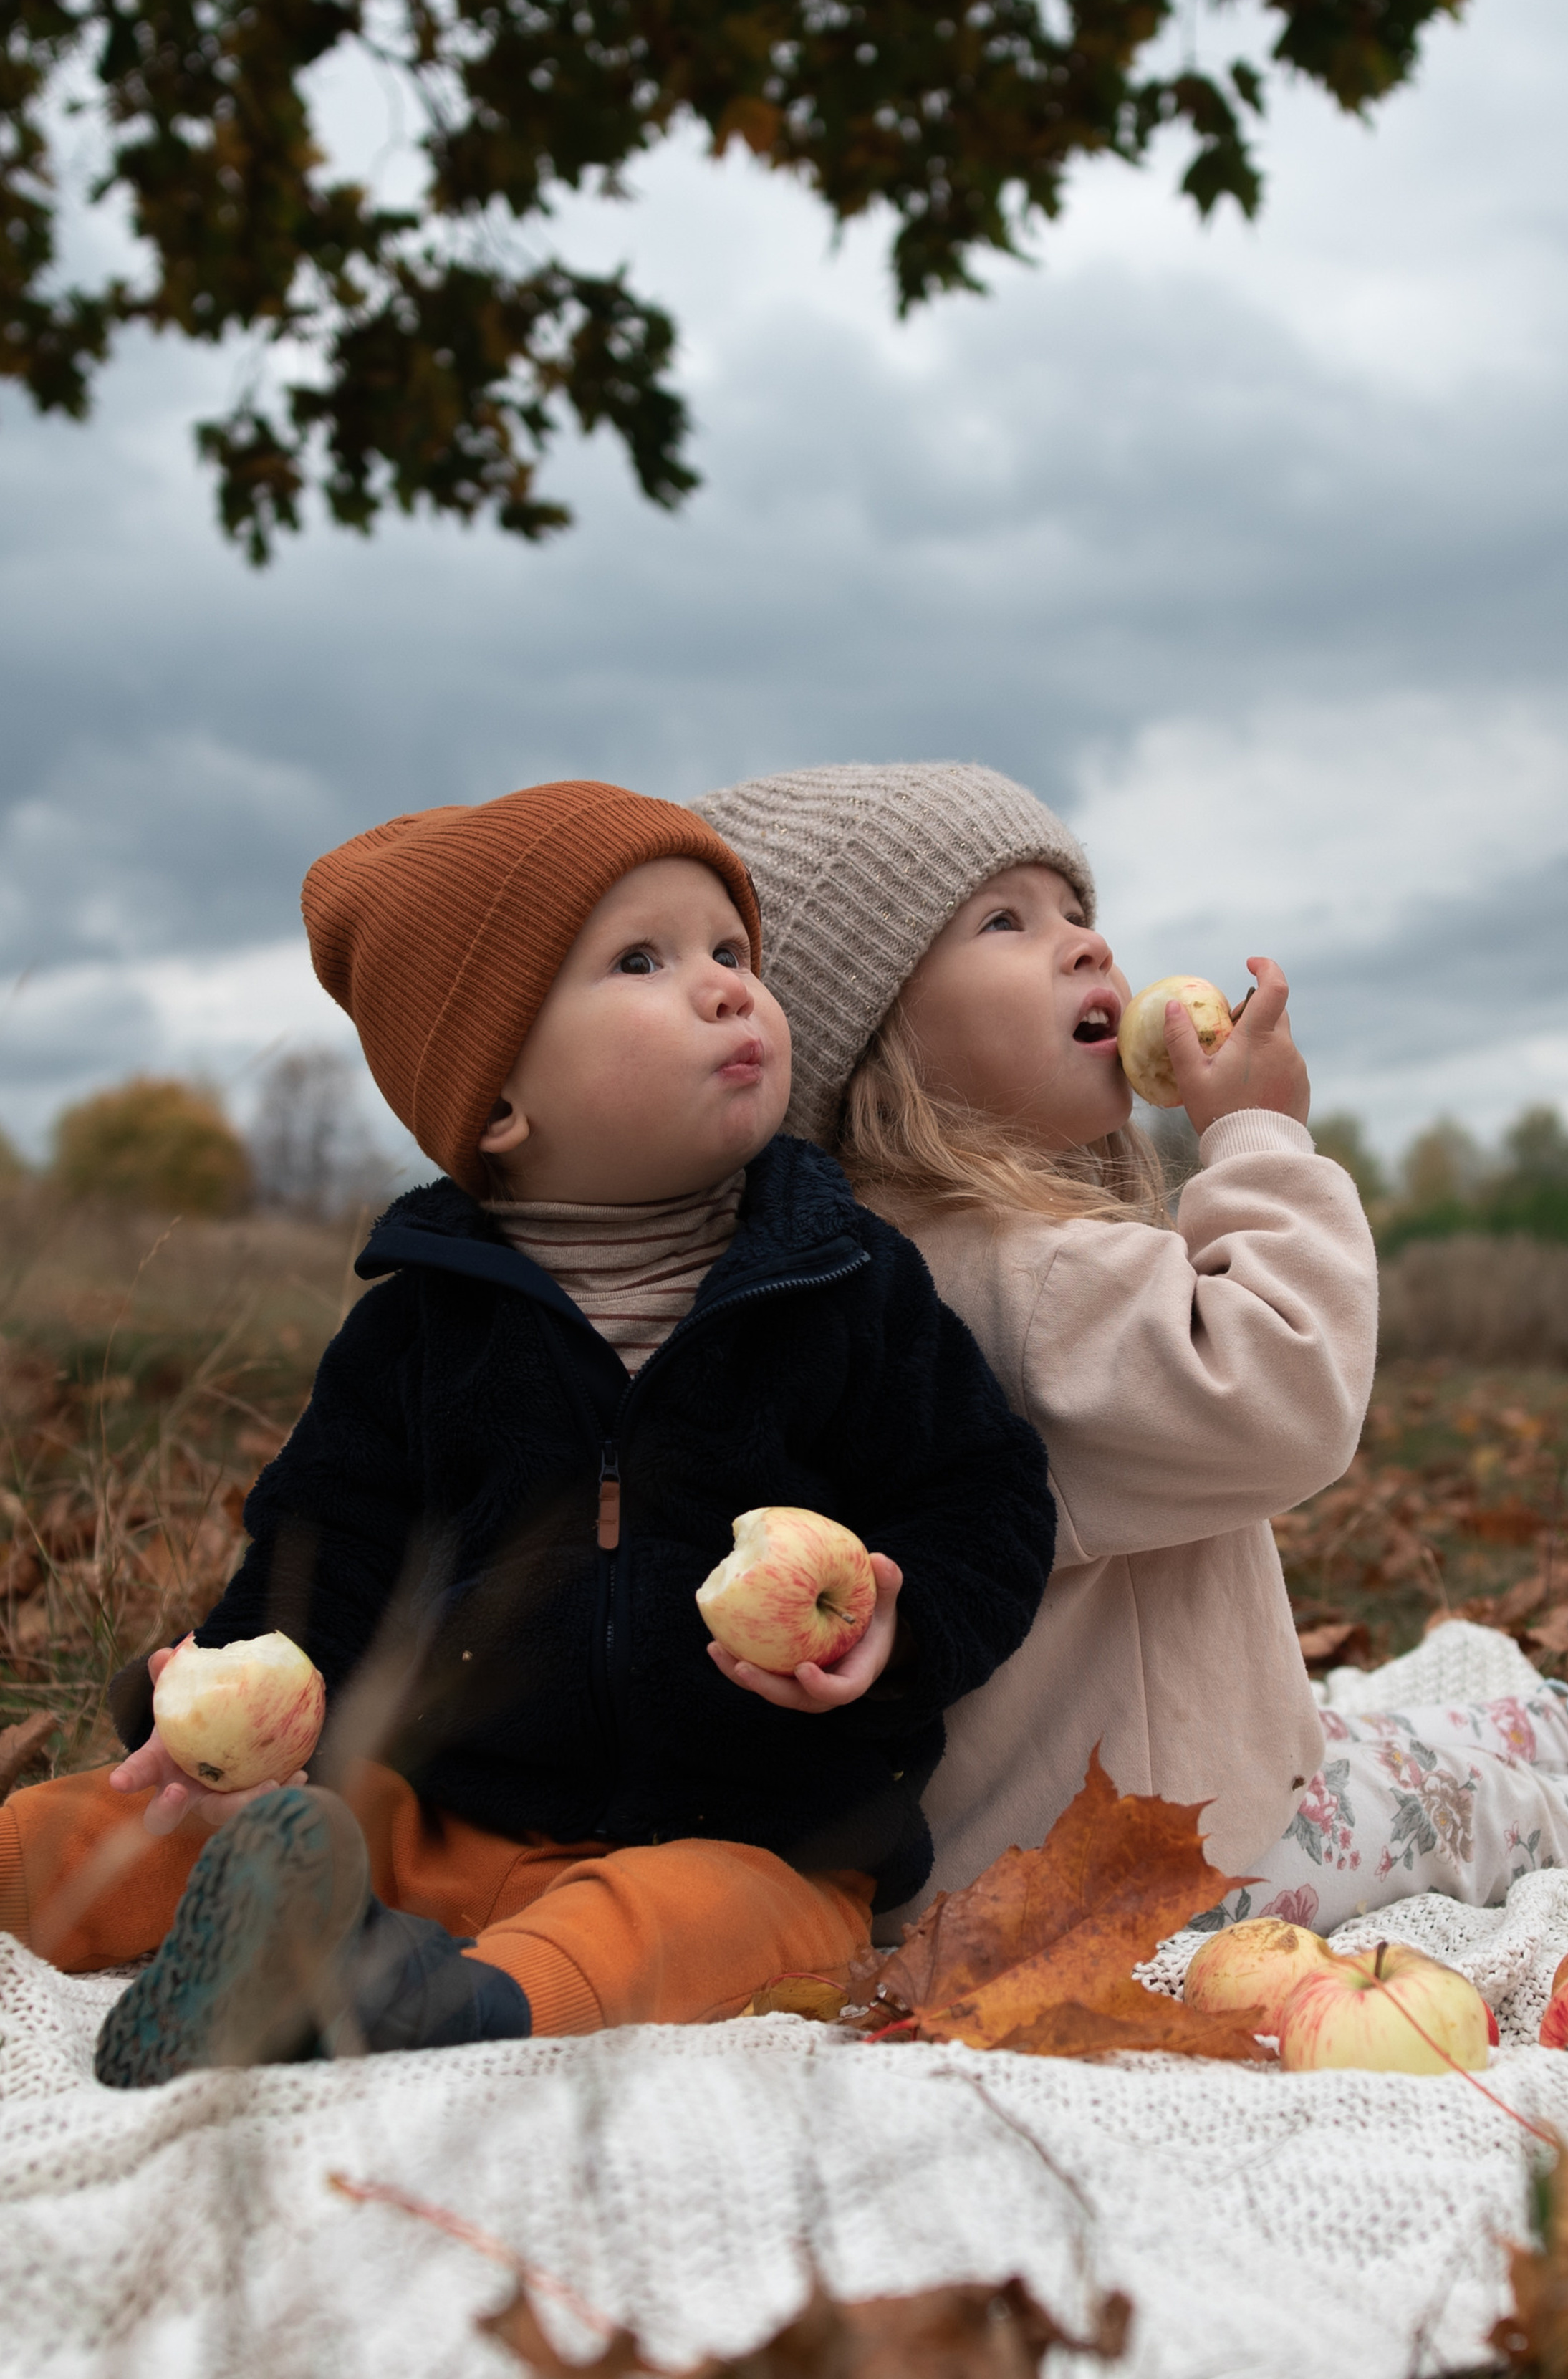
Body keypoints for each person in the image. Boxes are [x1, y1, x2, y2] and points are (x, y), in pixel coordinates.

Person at [0, 780, 1056, 2081]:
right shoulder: (423, 1326)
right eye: (643, 961)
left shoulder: (845, 1285)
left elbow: (986, 1496)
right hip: (436, 1801)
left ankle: (441, 2001)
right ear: (497, 1097)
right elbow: (324, 1548)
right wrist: (219, 1699)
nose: (727, 990)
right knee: (152, 1819)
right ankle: (109, 1890)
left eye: (733, 952)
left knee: (716, 1924)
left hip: (752, 1826)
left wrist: (900, 1619)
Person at [687, 761, 1568, 1936]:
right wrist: (1259, 1135)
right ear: (866, 1037)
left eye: (1077, 910)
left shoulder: (878, 1270)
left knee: (1378, 1744)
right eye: (1004, 922)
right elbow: (1286, 1391)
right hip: (1134, 1862)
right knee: (1467, 1810)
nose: (1087, 945)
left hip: (1068, 1812)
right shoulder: (1026, 1282)